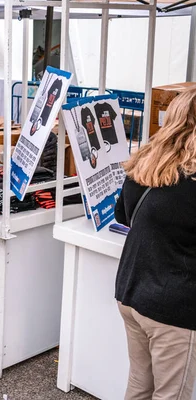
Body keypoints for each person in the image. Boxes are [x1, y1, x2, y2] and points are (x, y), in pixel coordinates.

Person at [114, 88, 196, 400]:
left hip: (132, 292)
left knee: (139, 386)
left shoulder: (146, 163)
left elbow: (121, 213)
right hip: (171, 307)